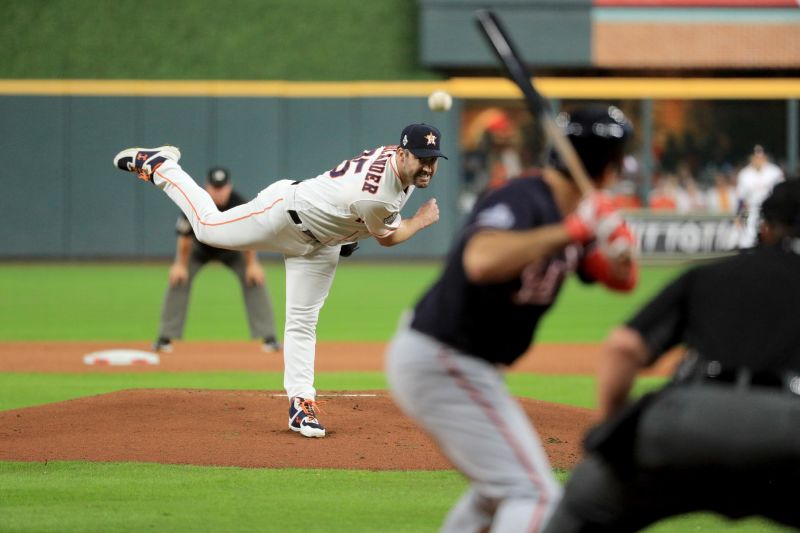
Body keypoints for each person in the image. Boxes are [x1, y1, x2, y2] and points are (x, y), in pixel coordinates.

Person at [386, 106, 637, 532]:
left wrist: (618, 244)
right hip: (442, 355)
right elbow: (480, 260)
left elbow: (623, 280)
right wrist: (574, 230)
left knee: (496, 491)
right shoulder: (525, 198)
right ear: (609, 168)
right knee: (534, 494)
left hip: (467, 364)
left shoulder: (576, 210)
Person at [113, 123, 446, 438]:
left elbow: (361, 206)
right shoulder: (378, 196)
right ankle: (159, 166)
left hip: (323, 242)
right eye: (421, 158)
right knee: (206, 228)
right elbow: (388, 237)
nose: (428, 167)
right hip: (285, 215)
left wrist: (349, 230)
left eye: (432, 160)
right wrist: (419, 221)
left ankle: (301, 404)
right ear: (402, 154)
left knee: (302, 322)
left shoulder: (394, 164)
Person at [544, 178, 800, 532]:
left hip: (688, 422)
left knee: (584, 506)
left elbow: (623, 347)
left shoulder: (709, 275)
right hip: (789, 429)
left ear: (766, 229)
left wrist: (609, 436)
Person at [152, 166, 280, 354]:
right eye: (215, 187)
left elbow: (250, 235)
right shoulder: (197, 202)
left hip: (232, 248)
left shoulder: (239, 202)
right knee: (178, 278)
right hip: (199, 249)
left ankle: (269, 337)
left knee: (255, 278)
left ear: (229, 187)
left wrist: (253, 265)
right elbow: (184, 238)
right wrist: (179, 264)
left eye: (222, 187)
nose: (219, 192)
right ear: (207, 187)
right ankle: (165, 337)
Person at [736, 144, 783, 247]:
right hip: (749, 210)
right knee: (746, 239)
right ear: (751, 157)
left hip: (770, 210)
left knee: (771, 240)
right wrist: (739, 216)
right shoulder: (744, 174)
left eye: (761, 156)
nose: (758, 159)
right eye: (756, 156)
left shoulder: (774, 171)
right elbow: (741, 199)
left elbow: (782, 193)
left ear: (765, 157)